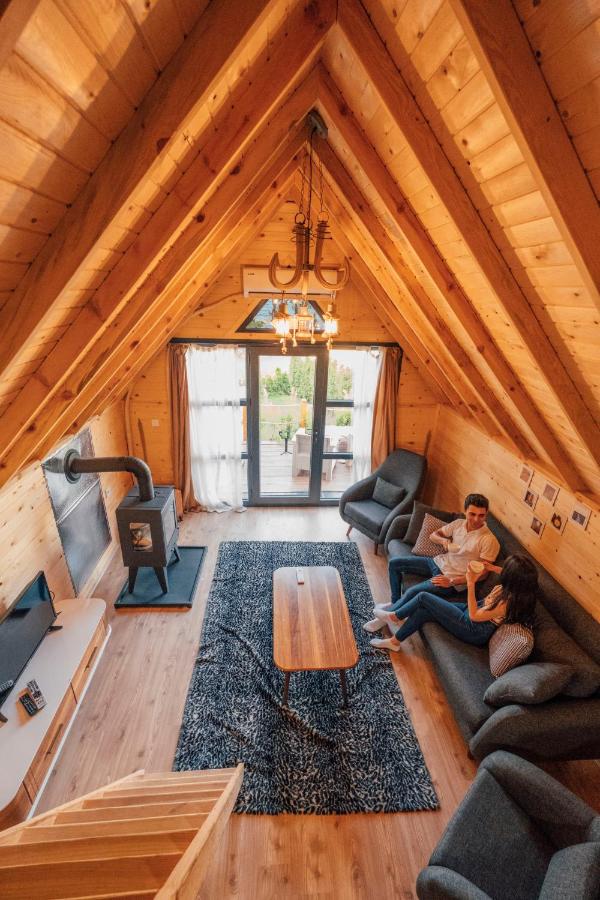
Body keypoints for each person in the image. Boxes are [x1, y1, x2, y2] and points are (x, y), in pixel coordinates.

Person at [364, 493, 500, 633]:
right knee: (394, 564)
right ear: (465, 511)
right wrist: (444, 541)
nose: (476, 519)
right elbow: (434, 535)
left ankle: (386, 618)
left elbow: (483, 574)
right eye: (472, 514)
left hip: (451, 578)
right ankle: (395, 604)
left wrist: (452, 581)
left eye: (481, 515)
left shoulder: (489, 540)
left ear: (486, 514)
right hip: (437, 562)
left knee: (414, 591)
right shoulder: (458, 524)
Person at [369, 554, 538, 652]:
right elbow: (506, 573)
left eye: (506, 570)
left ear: (513, 579)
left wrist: (470, 583)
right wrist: (493, 568)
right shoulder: (519, 587)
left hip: (474, 628)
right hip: (472, 612)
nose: (503, 572)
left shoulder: (508, 603)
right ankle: (395, 642)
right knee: (423, 611)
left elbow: (474, 616)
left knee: (423, 597)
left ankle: (395, 616)